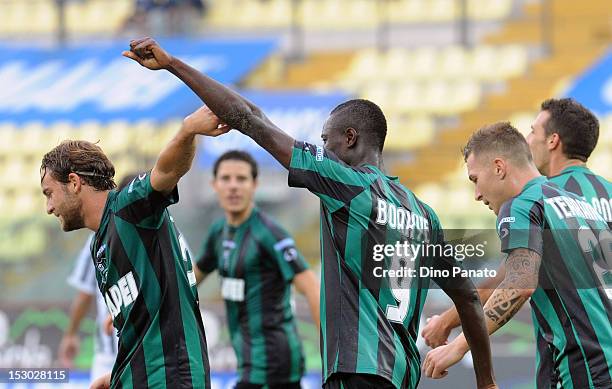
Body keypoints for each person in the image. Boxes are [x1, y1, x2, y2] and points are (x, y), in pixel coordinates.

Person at [123, 37, 498, 389]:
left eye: (326, 140)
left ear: (349, 138)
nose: (324, 147)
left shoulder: (346, 184)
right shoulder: (423, 214)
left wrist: (174, 65)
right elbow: (467, 298)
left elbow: (251, 119)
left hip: (356, 368)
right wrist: (487, 382)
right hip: (401, 375)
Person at [421, 98, 612, 387]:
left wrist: (457, 346)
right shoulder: (579, 204)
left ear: (499, 167)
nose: (476, 194)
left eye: (475, 179)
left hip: (583, 369)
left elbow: (518, 282)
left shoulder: (522, 205)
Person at [40, 107, 229, 389]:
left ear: (74, 182)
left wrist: (187, 130)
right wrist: (116, 377)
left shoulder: (129, 209)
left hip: (171, 380)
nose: (49, 207)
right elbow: (137, 330)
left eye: (49, 194)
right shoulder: (99, 244)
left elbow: (168, 170)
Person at [193, 150, 319, 389]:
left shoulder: (269, 233)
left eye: (241, 179)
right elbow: (189, 282)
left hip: (275, 362)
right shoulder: (219, 232)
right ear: (214, 184)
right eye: (226, 179)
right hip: (248, 361)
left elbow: (312, 287)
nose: (233, 187)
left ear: (255, 185)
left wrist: (330, 349)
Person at [58, 173, 138, 383]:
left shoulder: (166, 237)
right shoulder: (97, 240)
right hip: (110, 353)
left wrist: (71, 335)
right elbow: (85, 292)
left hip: (143, 354)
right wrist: (71, 334)